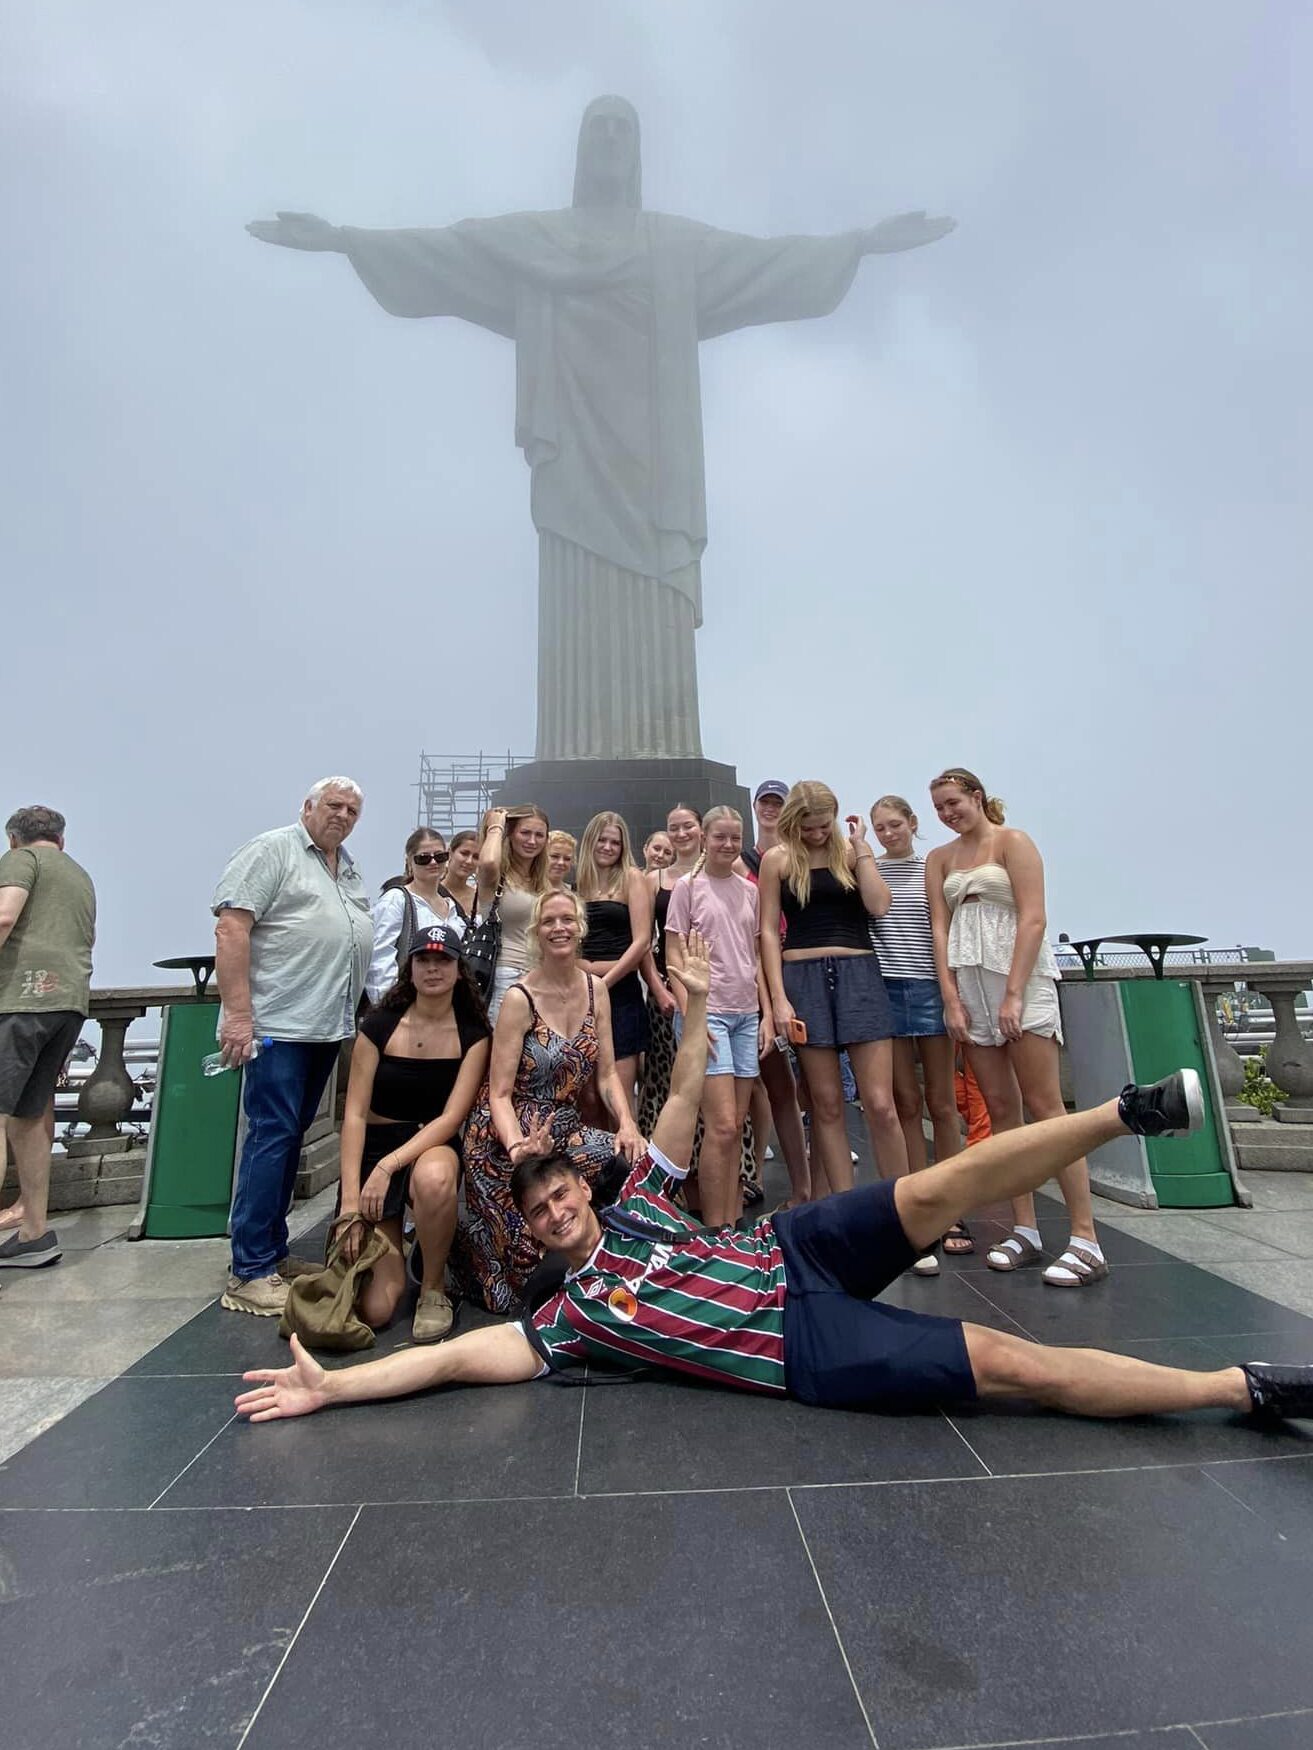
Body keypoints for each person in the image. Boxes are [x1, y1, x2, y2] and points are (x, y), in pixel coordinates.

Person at [238, 947, 1313, 1439]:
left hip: (790, 1250)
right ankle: (1239, 1387)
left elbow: (678, 1107)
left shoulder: (642, 1200)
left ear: (584, 1188)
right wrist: (337, 1387)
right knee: (1011, 1367)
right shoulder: (563, 1322)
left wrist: (700, 1005)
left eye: (565, 1188)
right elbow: (448, 1358)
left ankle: (1124, 1113)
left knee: (933, 1182)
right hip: (793, 1350)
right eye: (543, 1207)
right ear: (528, 1229)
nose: (561, 1206)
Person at [926, 766, 1104, 1287]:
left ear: (976, 797)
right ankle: (1025, 1227)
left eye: (953, 802)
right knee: (1002, 1112)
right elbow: (939, 929)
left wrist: (1014, 992)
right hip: (970, 983)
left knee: (1047, 1108)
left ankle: (1085, 1235)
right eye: (939, 807)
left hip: (1017, 978)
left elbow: (1033, 918)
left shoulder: (1013, 841)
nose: (947, 812)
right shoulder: (939, 859)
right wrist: (951, 999)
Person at [213, 777, 373, 1317]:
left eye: (352, 809)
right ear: (306, 807)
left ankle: (272, 1253)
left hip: (324, 1026)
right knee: (271, 1136)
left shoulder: (344, 868)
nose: (343, 815)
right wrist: (238, 1014)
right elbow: (232, 928)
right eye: (334, 805)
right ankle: (249, 1271)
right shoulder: (273, 850)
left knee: (288, 1137)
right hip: (277, 1024)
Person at [453, 888, 641, 1312]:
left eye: (567, 920)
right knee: (518, 1295)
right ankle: (461, 1256)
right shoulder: (520, 999)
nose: (559, 928)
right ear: (537, 933)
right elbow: (498, 1093)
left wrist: (627, 1124)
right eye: (549, 921)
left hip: (561, 1130)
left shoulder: (597, 991)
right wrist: (518, 1147)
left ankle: (615, 1259)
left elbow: (609, 1073)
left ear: (581, 929)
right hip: (503, 1139)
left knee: (628, 1163)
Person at [338, 924, 490, 1341]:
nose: (433, 968)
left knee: (435, 1176)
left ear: (460, 969)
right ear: (410, 967)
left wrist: (391, 1165)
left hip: (430, 1143)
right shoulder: (379, 1026)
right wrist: (350, 1204)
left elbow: (451, 1118)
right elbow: (352, 1115)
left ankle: (434, 1287)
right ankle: (412, 1241)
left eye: (444, 960)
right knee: (377, 1310)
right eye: (424, 959)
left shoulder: (473, 1035)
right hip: (376, 1144)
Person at [759, 782, 907, 1199]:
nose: (815, 834)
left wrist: (861, 848)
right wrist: (778, 999)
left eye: (822, 826)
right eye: (806, 827)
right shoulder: (778, 860)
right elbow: (769, 932)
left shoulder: (850, 853)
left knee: (880, 1103)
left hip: (858, 973)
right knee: (825, 1105)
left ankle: (900, 1204)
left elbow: (879, 905)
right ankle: (845, 1210)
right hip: (802, 978)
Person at [870, 795, 967, 1276]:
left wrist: (952, 993)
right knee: (904, 1102)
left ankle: (950, 1202)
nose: (889, 834)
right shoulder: (871, 869)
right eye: (880, 828)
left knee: (943, 1102)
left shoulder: (932, 865)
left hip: (929, 984)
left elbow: (940, 924)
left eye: (895, 825)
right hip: (885, 988)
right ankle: (915, 1204)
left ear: (912, 824)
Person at [0, 805, 96, 1269]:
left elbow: (3, 916)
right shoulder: (78, 875)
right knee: (27, 1115)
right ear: (62, 839)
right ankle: (34, 1233)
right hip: (68, 1003)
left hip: (20, 999)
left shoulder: (22, 860)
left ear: (14, 838)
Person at [666, 806, 768, 1228]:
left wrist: (767, 1012)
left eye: (735, 837)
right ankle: (714, 1227)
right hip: (708, 1014)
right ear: (705, 838)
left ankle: (731, 1219)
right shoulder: (688, 887)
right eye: (720, 837)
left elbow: (756, 953)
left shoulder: (750, 890)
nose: (728, 845)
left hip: (746, 1013)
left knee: (736, 1125)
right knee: (721, 1124)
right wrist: (692, 1017)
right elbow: (672, 953)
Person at [738, 779, 810, 1209]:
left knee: (805, 1088)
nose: (770, 809)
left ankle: (807, 1185)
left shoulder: (799, 859)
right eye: (765, 802)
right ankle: (754, 1176)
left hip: (794, 971)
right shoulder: (741, 860)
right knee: (764, 1086)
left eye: (777, 804)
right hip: (752, 978)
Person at [577, 812, 653, 1109]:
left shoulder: (633, 878)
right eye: (602, 840)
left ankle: (630, 1156)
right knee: (590, 1098)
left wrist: (604, 983)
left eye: (615, 842)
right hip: (582, 992)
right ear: (590, 842)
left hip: (620, 993)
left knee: (619, 1099)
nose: (608, 847)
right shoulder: (577, 882)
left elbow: (642, 941)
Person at [365, 828, 464, 1005]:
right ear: (409, 861)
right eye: (423, 858)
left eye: (440, 856)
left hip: (448, 1008)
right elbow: (380, 958)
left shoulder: (453, 907)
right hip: (406, 1005)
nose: (433, 862)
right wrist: (389, 1009)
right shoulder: (396, 899)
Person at [476, 805, 551, 1023]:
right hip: (505, 973)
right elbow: (488, 861)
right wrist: (496, 825)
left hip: (539, 976)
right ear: (511, 834)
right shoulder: (497, 877)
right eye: (525, 833)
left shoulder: (541, 883)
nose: (532, 841)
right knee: (503, 1051)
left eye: (539, 835)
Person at [441, 830, 480, 919]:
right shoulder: (432, 893)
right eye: (464, 853)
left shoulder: (480, 900)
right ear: (450, 853)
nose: (469, 861)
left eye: (476, 857)